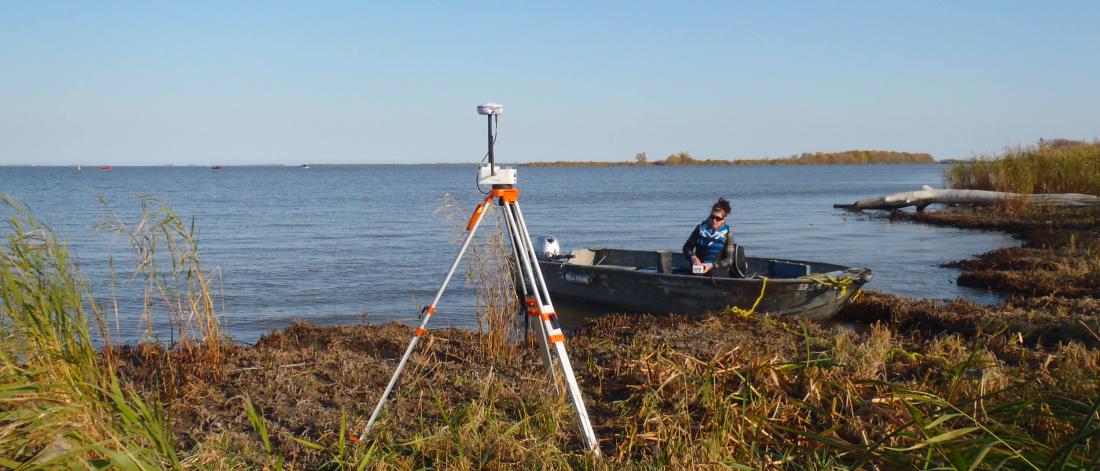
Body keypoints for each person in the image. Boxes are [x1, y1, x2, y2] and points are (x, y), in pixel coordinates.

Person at [682, 197, 734, 275]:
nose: (714, 220)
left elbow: (729, 260)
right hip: (698, 269)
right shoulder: (699, 229)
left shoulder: (728, 234)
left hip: (717, 270)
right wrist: (692, 257)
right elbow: (687, 247)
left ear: (723, 219)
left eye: (718, 218)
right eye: (712, 217)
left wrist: (712, 265)